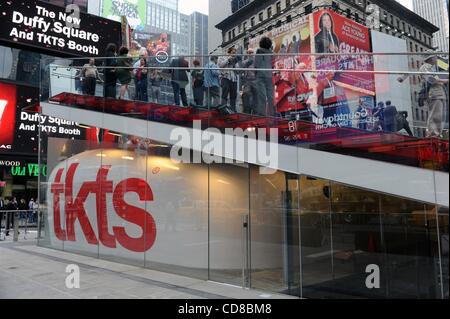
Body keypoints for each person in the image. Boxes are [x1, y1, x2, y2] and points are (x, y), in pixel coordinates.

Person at [419, 52, 449, 137]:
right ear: (430, 58)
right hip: (435, 93)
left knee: (440, 115)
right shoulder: (425, 67)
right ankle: (433, 134)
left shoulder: (433, 67)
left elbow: (446, 66)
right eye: (435, 57)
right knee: (435, 114)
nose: (436, 59)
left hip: (439, 93)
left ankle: (437, 133)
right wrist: (444, 81)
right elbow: (431, 79)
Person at [254, 37, 275, 117]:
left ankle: (262, 114)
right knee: (270, 97)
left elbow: (256, 64)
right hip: (269, 76)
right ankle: (272, 114)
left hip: (260, 76)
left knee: (262, 96)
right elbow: (273, 64)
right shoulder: (271, 53)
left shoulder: (259, 51)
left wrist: (256, 74)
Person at [219, 47, 240, 111]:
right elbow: (220, 65)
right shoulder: (222, 57)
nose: (234, 54)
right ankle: (223, 108)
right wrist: (228, 59)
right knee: (224, 94)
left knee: (233, 95)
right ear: (229, 52)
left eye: (235, 53)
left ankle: (233, 109)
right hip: (225, 78)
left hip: (234, 79)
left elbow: (238, 71)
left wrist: (234, 64)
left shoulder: (235, 59)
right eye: (233, 52)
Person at [241, 48, 258, 114]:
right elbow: (241, 69)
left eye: (251, 52)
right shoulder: (245, 62)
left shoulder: (256, 62)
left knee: (256, 96)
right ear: (248, 54)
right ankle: (246, 112)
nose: (250, 54)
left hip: (255, 80)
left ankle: (255, 112)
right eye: (249, 53)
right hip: (247, 80)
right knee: (246, 95)